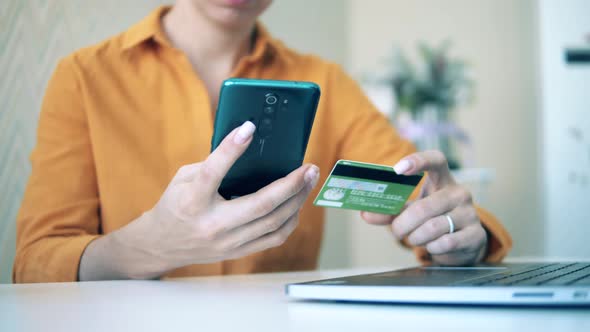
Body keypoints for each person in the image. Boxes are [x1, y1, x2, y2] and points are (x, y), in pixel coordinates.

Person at [13, 0, 512, 283]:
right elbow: (35, 264)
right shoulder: (83, 76)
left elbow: (410, 186)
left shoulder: (325, 82)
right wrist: (147, 247)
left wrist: (455, 234)